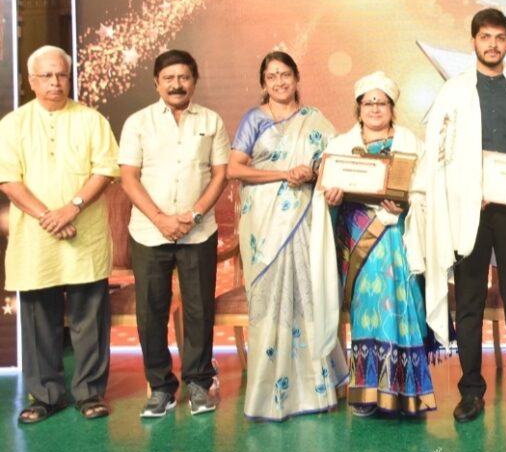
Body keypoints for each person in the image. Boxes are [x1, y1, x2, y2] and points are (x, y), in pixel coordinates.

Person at [414, 8, 506, 423]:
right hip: (469, 211)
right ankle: (471, 392)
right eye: (485, 37)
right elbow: (439, 153)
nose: (492, 44)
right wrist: (463, 189)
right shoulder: (454, 92)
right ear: (473, 40)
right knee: (471, 301)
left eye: (500, 37)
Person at [0, 45, 120, 423]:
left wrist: (71, 208)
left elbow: (105, 169)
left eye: (62, 75)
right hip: (36, 239)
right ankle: (45, 395)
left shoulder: (91, 120)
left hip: (83, 235)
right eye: (47, 76)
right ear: (31, 81)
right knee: (39, 321)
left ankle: (89, 393)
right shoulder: (12, 124)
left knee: (90, 317)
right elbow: (8, 180)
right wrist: (47, 216)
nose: (55, 82)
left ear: (70, 78)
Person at [227, 51, 349, 421]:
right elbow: (235, 168)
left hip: (304, 219)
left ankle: (315, 389)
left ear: (297, 78)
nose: (279, 82)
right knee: (270, 299)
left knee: (306, 295)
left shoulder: (316, 121)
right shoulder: (253, 119)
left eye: (285, 75)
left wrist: (310, 172)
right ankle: (269, 392)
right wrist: (283, 174)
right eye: (271, 76)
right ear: (263, 83)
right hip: (263, 225)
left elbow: (334, 163)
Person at [312, 71, 437, 417]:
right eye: (369, 102)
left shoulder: (411, 143)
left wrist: (408, 203)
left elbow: (426, 189)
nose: (376, 108)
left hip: (400, 235)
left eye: (382, 102)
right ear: (359, 108)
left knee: (403, 306)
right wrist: (331, 197)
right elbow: (325, 192)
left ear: (392, 108)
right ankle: (367, 392)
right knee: (366, 309)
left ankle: (408, 392)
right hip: (358, 238)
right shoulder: (339, 146)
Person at [118, 49, 230, 418]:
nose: (177, 84)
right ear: (157, 83)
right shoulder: (138, 122)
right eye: (169, 78)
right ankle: (161, 388)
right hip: (150, 232)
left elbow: (219, 174)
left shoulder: (211, 121)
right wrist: (161, 218)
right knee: (152, 311)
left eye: (183, 77)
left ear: (194, 82)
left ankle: (199, 383)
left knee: (200, 310)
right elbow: (129, 178)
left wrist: (194, 214)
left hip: (198, 231)